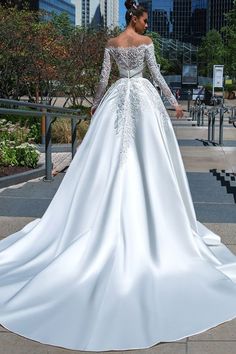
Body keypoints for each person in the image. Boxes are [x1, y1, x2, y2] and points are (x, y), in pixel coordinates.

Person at [0, 0, 236, 352]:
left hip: (116, 99)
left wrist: (96, 103)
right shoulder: (144, 45)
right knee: (148, 153)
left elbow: (101, 78)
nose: (147, 25)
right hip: (141, 98)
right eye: (145, 20)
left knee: (108, 155)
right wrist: (172, 102)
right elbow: (154, 75)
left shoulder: (112, 43)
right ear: (137, 18)